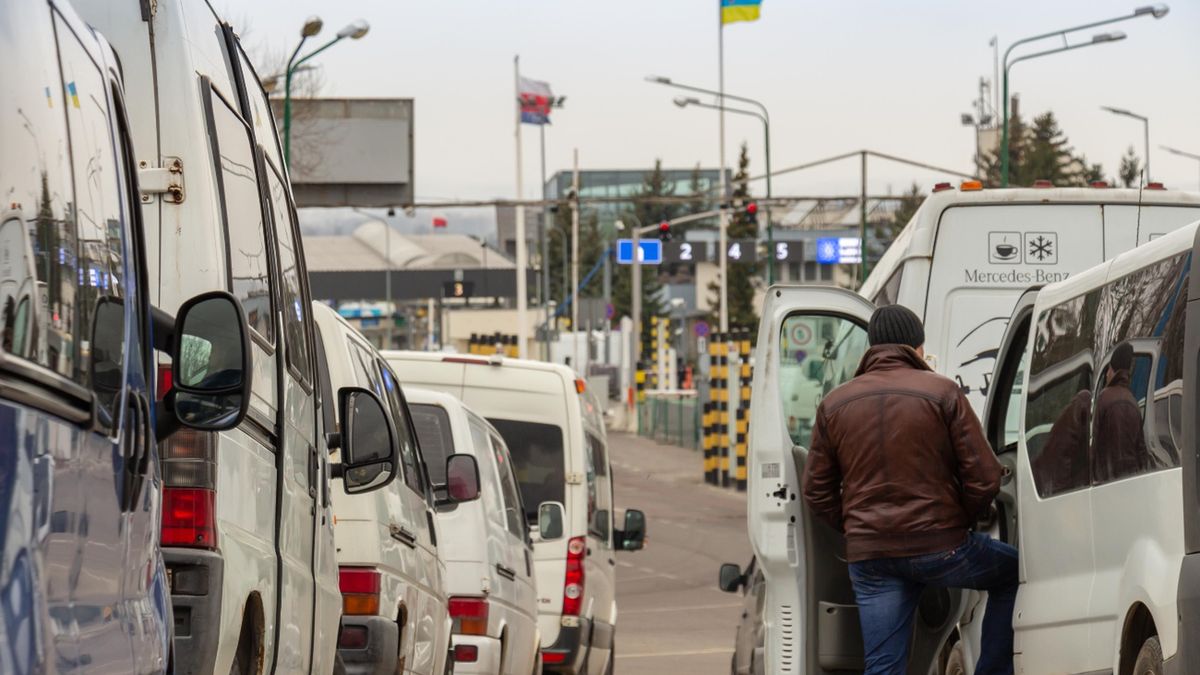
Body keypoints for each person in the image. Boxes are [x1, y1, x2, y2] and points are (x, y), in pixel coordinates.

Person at [801, 305, 1016, 675]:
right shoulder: (943, 392)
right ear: (917, 347)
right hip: (940, 547)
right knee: (1012, 572)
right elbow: (985, 477)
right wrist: (956, 522)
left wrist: (858, 528)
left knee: (883, 666)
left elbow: (816, 491)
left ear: (872, 348)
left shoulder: (834, 403)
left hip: (872, 557)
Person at [1092, 342, 1149, 482]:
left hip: (1107, 484)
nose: (1106, 376)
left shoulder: (1103, 399)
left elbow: (1094, 444)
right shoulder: (1134, 403)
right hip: (1131, 482)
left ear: (1113, 371)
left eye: (1108, 371)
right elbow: (1141, 451)